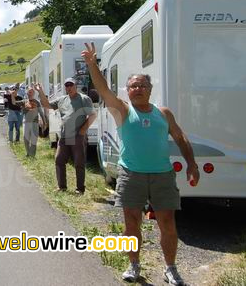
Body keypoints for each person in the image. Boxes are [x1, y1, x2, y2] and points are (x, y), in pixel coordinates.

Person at [82, 42, 198, 285]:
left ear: (149, 89)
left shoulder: (163, 113)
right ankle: (134, 265)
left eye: (141, 85)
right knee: (131, 222)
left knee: (167, 223)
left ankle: (171, 268)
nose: (137, 89)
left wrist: (192, 164)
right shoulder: (123, 111)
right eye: (133, 86)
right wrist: (93, 65)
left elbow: (180, 137)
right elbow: (103, 91)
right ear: (127, 90)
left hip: (162, 174)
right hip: (131, 174)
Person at [36, 78, 95, 194]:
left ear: (76, 86)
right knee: (59, 159)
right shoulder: (62, 100)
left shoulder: (84, 99)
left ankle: (80, 189)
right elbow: (46, 104)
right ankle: (62, 187)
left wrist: (83, 130)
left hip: (78, 136)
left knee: (79, 163)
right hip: (64, 136)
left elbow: (92, 115)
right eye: (67, 85)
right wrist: (40, 91)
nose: (69, 87)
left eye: (71, 85)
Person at [20, 86, 45, 158]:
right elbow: (22, 112)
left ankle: (32, 155)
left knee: (34, 140)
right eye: (29, 92)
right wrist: (25, 108)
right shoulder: (24, 101)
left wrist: (44, 121)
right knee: (26, 139)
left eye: (31, 92)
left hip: (35, 122)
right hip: (26, 122)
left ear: (34, 93)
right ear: (27, 93)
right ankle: (28, 153)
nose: (30, 93)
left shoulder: (37, 102)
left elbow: (41, 112)